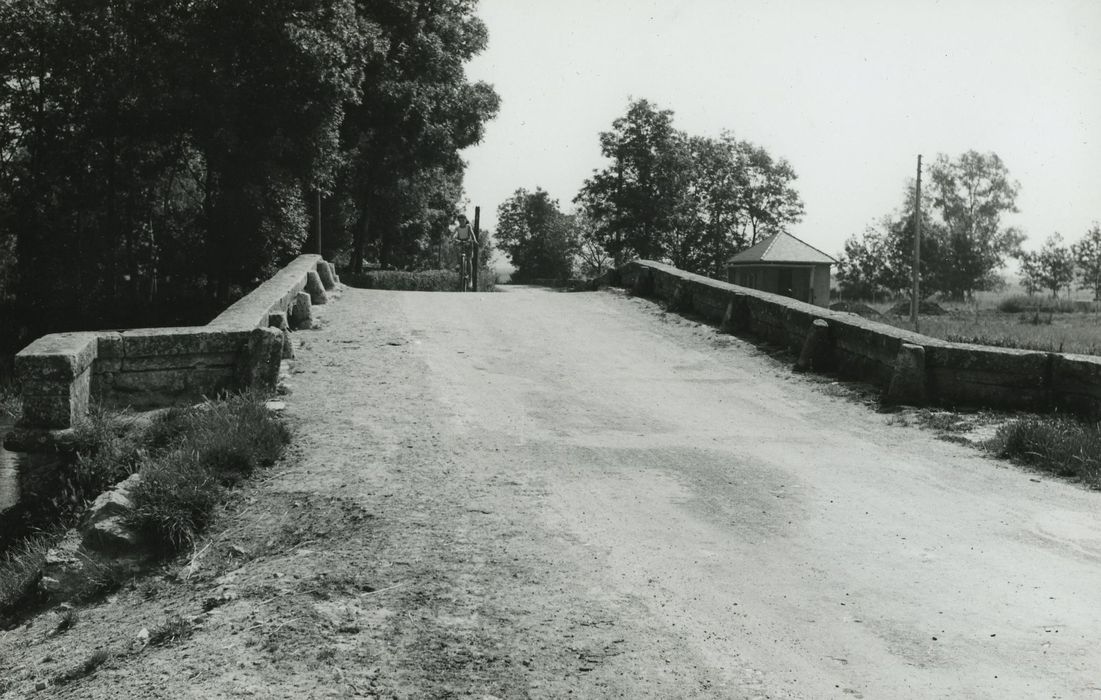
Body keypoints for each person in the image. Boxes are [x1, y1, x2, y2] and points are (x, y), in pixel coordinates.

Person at [451, 216, 478, 289]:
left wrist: (474, 240)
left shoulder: (468, 226)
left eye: (463, 220)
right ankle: (459, 263)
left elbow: (472, 234)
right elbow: (454, 234)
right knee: (456, 248)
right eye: (460, 221)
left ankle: (470, 280)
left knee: (469, 260)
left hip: (468, 243)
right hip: (460, 242)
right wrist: (453, 239)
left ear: (465, 220)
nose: (461, 222)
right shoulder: (457, 228)